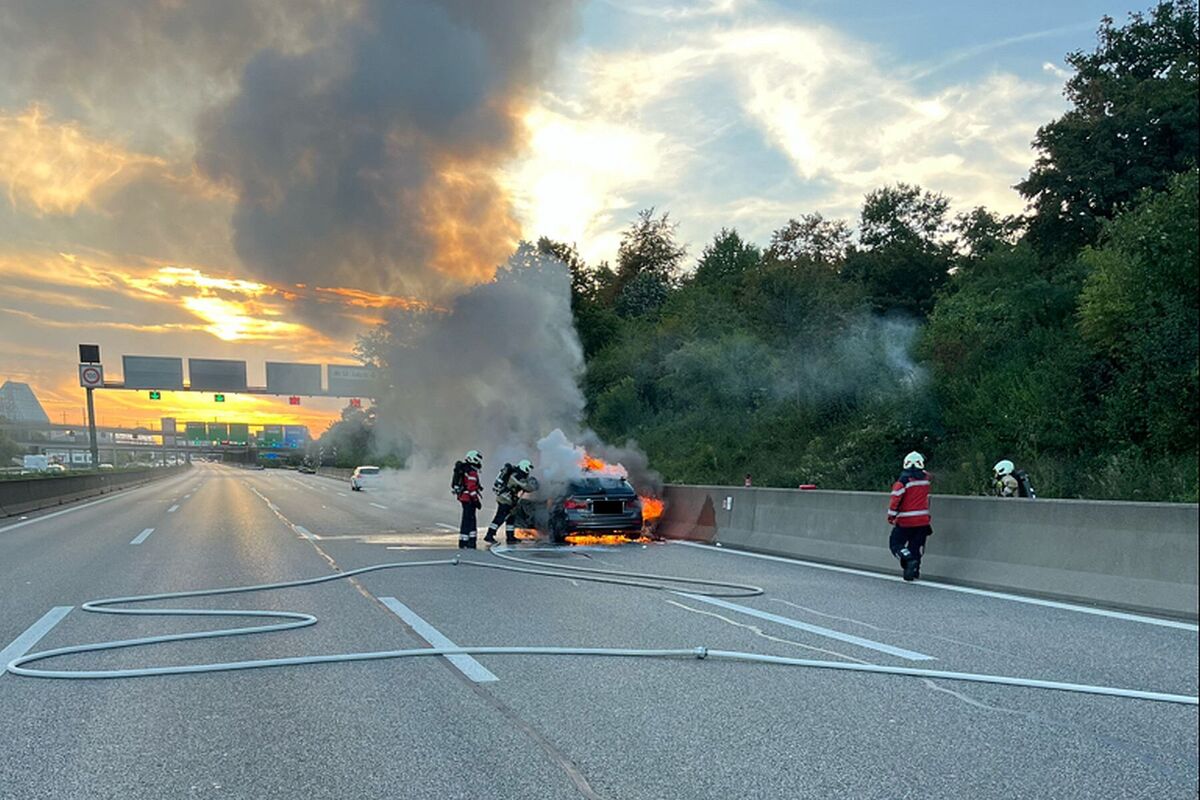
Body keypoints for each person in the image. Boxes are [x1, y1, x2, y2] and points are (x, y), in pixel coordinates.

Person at [887, 451, 932, 582]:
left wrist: (891, 516)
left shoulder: (902, 482)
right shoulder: (926, 480)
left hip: (905, 521)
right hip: (923, 521)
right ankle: (914, 571)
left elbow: (895, 500)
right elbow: (927, 474)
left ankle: (908, 559)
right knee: (915, 546)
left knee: (895, 544)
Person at [485, 459, 536, 544]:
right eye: (528, 468)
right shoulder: (517, 475)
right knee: (500, 518)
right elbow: (526, 487)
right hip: (505, 499)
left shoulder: (518, 474)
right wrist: (533, 485)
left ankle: (510, 537)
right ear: (524, 467)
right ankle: (489, 535)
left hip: (509, 500)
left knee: (511, 519)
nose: (529, 471)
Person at [451, 450, 484, 549]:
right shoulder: (471, 471)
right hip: (468, 499)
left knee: (468, 519)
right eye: (477, 459)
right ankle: (468, 542)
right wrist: (476, 500)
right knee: (469, 520)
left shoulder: (465, 469)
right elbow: (471, 487)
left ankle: (467, 541)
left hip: (464, 498)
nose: (479, 462)